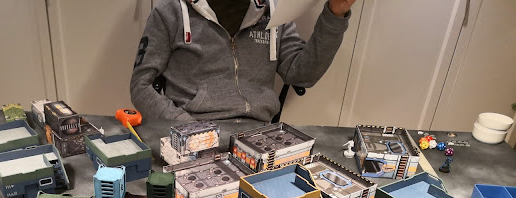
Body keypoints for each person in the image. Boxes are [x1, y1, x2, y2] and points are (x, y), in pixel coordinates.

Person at [130, 0, 356, 123]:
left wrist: (335, 14)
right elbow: (141, 86)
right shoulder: (170, 11)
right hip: (194, 131)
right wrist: (183, 125)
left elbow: (302, 74)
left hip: (259, 135)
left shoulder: (275, 12)